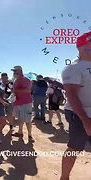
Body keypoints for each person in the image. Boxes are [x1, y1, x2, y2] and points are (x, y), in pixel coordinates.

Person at [60, 31, 91, 180]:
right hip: (79, 114)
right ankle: (64, 177)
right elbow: (71, 95)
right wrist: (85, 120)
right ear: (80, 47)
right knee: (74, 147)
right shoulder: (74, 67)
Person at [11, 66, 35, 143]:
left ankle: (30, 135)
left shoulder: (26, 80)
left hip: (25, 102)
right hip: (18, 102)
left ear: (20, 71)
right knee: (20, 119)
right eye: (13, 71)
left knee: (28, 120)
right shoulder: (16, 80)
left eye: (15, 70)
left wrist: (15, 90)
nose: (14, 72)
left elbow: (27, 90)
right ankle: (20, 132)